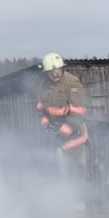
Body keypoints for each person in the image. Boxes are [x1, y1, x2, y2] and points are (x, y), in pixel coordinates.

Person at [36, 52, 89, 208]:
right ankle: (61, 208)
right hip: (55, 137)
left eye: (58, 69)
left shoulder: (72, 83)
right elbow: (40, 110)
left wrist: (63, 132)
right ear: (46, 72)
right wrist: (46, 126)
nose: (55, 73)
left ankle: (79, 213)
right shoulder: (42, 87)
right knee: (55, 173)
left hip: (74, 138)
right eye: (51, 71)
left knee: (75, 175)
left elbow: (77, 113)